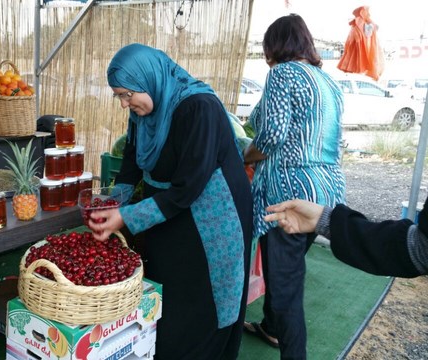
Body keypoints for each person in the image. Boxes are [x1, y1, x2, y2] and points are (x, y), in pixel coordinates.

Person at [86, 43, 253, 359]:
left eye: (126, 95)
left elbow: (188, 188)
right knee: (167, 287)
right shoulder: (146, 112)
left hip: (210, 218)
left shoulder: (199, 109)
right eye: (118, 96)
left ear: (148, 79)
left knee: (202, 301)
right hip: (165, 211)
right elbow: (132, 162)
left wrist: (126, 217)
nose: (124, 104)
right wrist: (114, 201)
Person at [242, 14, 346, 358]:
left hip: (290, 196)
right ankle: (271, 327)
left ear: (276, 46)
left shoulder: (283, 73)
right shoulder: (327, 82)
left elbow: (270, 136)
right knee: (286, 268)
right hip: (326, 193)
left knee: (286, 285)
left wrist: (246, 154)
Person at [263, 198, 428, 277]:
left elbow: (420, 249)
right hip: (319, 197)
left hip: (293, 197)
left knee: (284, 275)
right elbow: (419, 248)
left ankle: (273, 329)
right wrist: (325, 219)